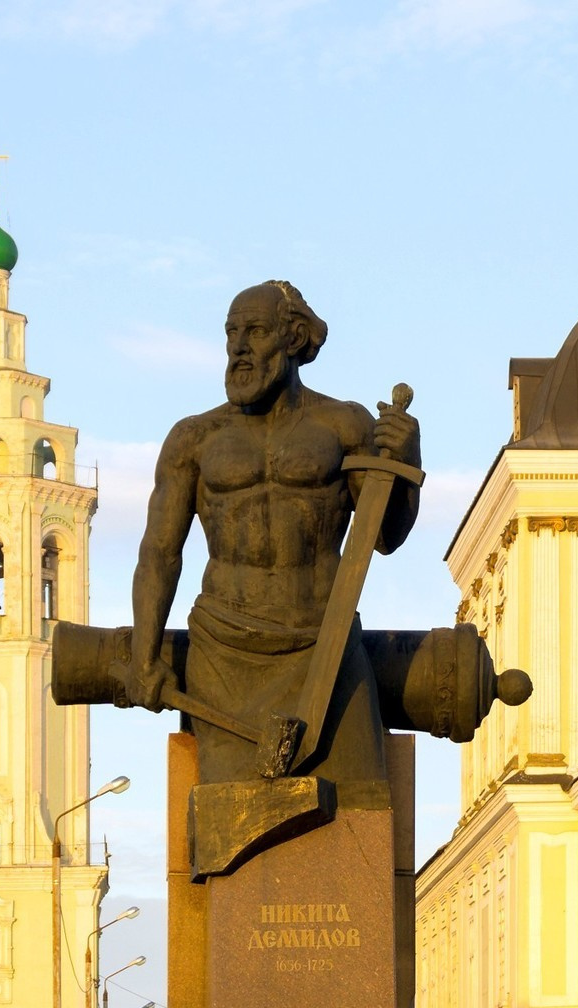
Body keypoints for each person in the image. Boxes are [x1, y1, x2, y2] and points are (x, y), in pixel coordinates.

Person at [129, 282, 421, 848]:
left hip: (324, 648)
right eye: (231, 333)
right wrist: (144, 657)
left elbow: (384, 536)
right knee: (230, 830)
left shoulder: (344, 426)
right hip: (224, 654)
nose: (239, 348)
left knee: (359, 812)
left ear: (293, 339)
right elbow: (159, 552)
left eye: (255, 332)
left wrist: (407, 460)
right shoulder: (194, 437)